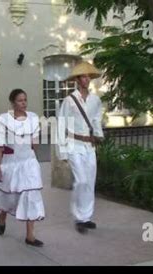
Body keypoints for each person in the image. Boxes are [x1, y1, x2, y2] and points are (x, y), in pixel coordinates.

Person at [0, 89, 45, 247]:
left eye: (25, 100)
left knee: (31, 195)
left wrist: (31, 154)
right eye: (20, 100)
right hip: (11, 163)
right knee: (10, 196)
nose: (23, 103)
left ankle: (30, 236)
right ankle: (3, 215)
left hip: (29, 162)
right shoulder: (4, 121)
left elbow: (35, 143)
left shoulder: (32, 118)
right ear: (12, 102)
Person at [56, 62, 104, 234]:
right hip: (73, 144)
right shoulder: (69, 101)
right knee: (81, 180)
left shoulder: (95, 100)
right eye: (83, 76)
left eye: (88, 76)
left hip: (89, 145)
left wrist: (99, 136)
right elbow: (62, 124)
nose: (86, 79)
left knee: (90, 181)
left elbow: (97, 119)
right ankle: (78, 217)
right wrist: (61, 152)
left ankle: (87, 217)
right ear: (77, 80)